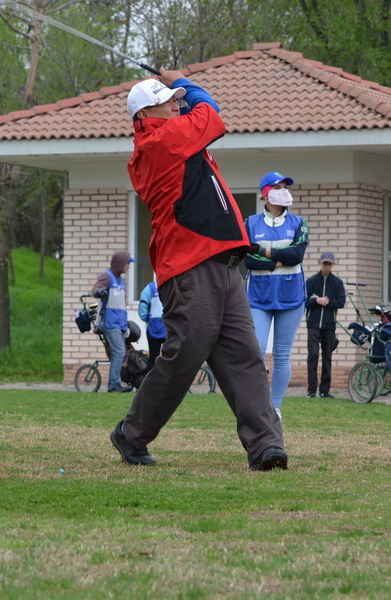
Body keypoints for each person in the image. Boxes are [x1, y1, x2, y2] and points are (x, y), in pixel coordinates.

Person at [109, 69, 288, 471]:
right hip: (189, 267)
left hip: (224, 265)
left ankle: (266, 447)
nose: (177, 102)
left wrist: (178, 87)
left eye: (177, 97)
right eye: (168, 100)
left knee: (245, 358)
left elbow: (201, 114)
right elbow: (212, 112)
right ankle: (131, 433)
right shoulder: (157, 142)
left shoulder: (178, 140)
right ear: (146, 115)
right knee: (184, 356)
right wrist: (185, 80)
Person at [244, 171, 309, 417]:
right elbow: (247, 259)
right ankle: (258, 404)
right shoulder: (250, 223)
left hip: (291, 297)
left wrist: (265, 253)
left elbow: (297, 255)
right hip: (258, 297)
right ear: (265, 193)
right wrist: (275, 261)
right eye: (278, 186)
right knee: (257, 351)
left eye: (285, 186)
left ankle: (276, 407)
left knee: (282, 354)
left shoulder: (299, 223)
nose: (283, 189)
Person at [91, 250, 135, 393]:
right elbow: (95, 289)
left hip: (119, 322)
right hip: (108, 322)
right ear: (120, 263)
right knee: (119, 351)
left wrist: (125, 323)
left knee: (120, 353)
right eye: (127, 263)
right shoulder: (107, 276)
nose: (128, 266)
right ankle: (113, 385)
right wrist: (99, 292)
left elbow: (121, 304)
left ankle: (116, 383)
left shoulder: (122, 281)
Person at [304, 251, 346, 398]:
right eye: (325, 264)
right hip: (313, 324)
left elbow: (341, 302)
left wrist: (326, 302)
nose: (327, 267)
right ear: (320, 263)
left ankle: (324, 391)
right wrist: (316, 301)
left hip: (329, 325)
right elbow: (303, 300)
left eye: (329, 264)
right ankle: (311, 390)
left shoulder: (337, 283)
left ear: (333, 265)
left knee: (327, 357)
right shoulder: (311, 281)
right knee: (313, 356)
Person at [138, 279, 166, 366]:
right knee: (170, 358)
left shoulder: (150, 287)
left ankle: (150, 379)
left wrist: (149, 319)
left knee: (153, 357)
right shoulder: (171, 285)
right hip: (169, 327)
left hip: (153, 328)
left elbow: (143, 306)